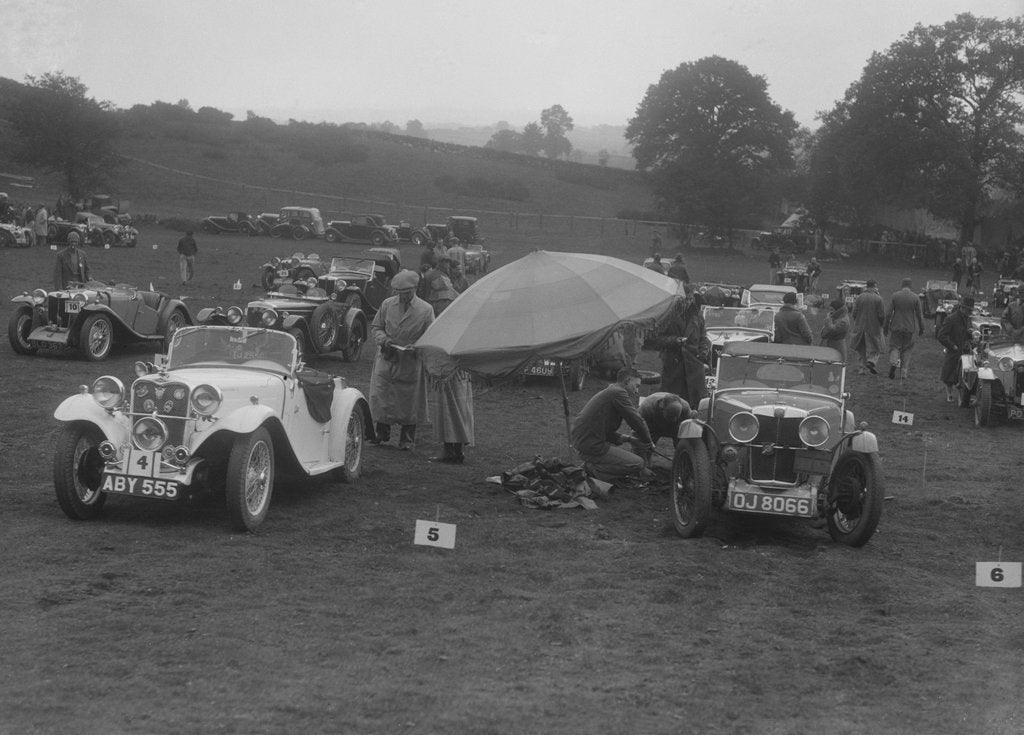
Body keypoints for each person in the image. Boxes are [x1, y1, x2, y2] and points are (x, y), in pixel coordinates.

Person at [369, 269, 434, 450]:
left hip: (410, 360)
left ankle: (407, 438)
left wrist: (417, 347)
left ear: (415, 289)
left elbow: (430, 336)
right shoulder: (388, 304)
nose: (402, 297)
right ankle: (381, 433)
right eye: (399, 293)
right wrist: (384, 340)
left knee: (409, 400)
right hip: (388, 355)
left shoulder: (426, 309)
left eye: (406, 293)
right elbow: (376, 327)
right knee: (383, 395)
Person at [570, 367, 655, 484]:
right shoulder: (618, 392)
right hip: (591, 444)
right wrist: (648, 442)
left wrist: (629, 439)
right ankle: (592, 470)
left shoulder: (611, 391)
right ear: (627, 381)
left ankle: (594, 468)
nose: (637, 391)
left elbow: (605, 429)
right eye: (636, 386)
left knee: (631, 462)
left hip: (584, 441)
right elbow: (637, 422)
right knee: (637, 463)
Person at [652, 292, 710, 409]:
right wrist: (675, 340)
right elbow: (657, 339)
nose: (687, 302)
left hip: (694, 364)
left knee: (695, 401)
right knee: (672, 400)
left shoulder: (697, 316)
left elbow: (704, 338)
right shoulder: (668, 315)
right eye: (684, 299)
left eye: (689, 299)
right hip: (674, 363)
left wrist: (703, 352)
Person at [884, 277, 926, 379]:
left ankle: (894, 363)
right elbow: (920, 315)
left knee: (894, 346)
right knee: (907, 349)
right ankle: (904, 372)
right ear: (910, 286)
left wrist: (885, 327)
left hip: (896, 326)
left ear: (902, 285)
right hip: (909, 327)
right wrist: (922, 328)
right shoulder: (915, 297)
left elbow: (888, 313)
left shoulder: (895, 296)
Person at [937, 297, 975, 402]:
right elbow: (941, 336)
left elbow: (967, 332)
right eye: (968, 310)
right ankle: (949, 394)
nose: (969, 312)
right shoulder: (951, 319)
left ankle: (961, 395)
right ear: (962, 308)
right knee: (949, 375)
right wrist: (952, 346)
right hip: (954, 351)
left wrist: (971, 334)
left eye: (970, 310)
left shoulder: (967, 319)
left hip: (966, 350)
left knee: (965, 374)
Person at [849, 279, 886, 375]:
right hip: (874, 327)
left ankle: (862, 368)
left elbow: (854, 313)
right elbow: (881, 315)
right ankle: (872, 361)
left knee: (861, 348)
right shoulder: (879, 299)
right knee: (876, 347)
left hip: (860, 326)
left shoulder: (860, 297)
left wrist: (857, 321)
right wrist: (882, 324)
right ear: (875, 286)